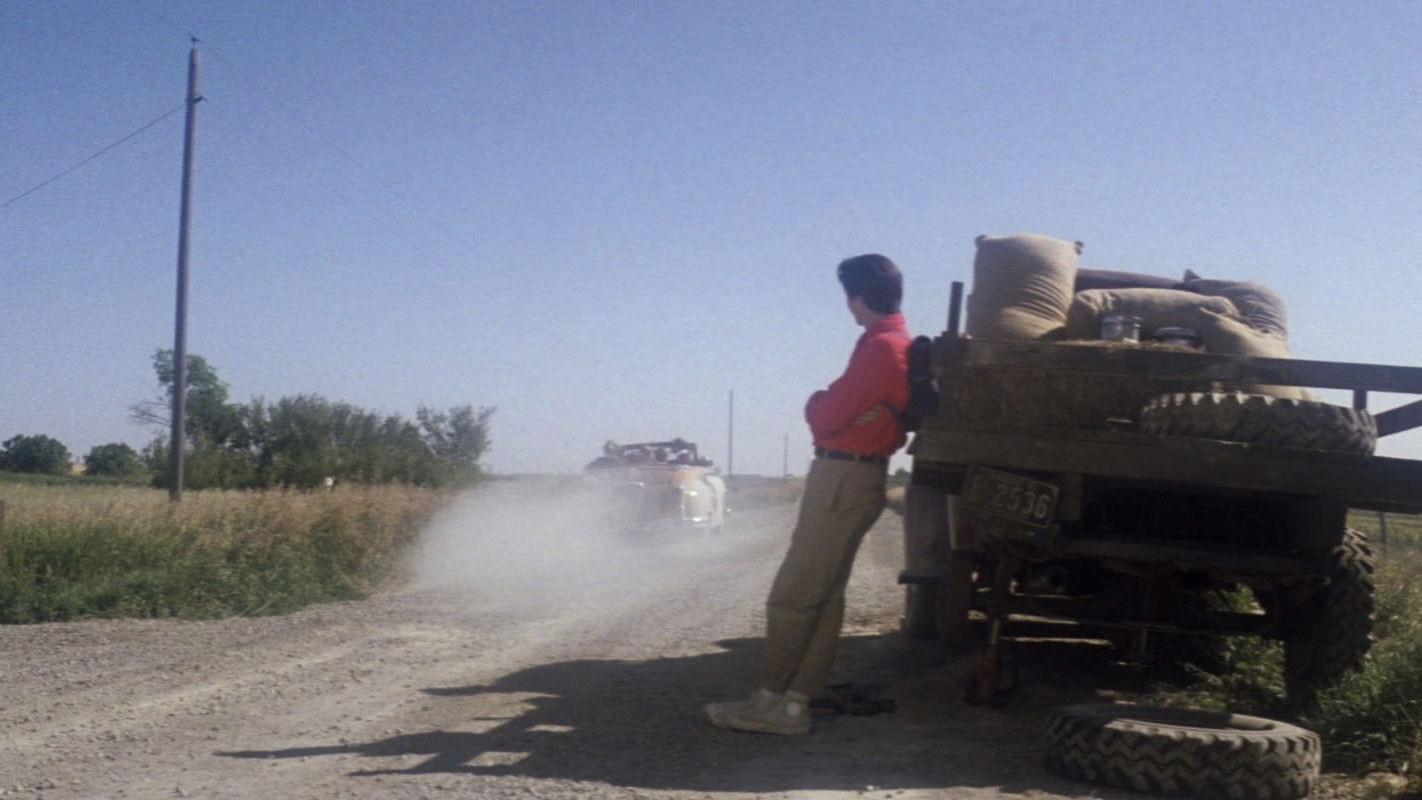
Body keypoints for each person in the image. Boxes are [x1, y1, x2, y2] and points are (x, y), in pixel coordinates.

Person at [704, 253, 912, 735]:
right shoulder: (895, 343)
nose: (848, 306)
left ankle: (773, 701)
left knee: (795, 594)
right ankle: (796, 700)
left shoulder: (882, 348)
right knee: (825, 594)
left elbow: (825, 415)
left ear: (858, 296)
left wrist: (817, 400)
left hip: (842, 476)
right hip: (858, 475)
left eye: (849, 297)